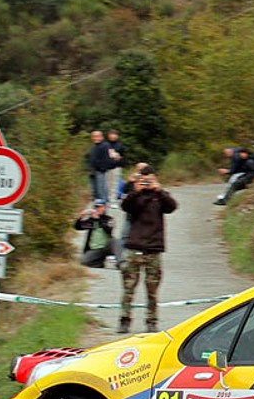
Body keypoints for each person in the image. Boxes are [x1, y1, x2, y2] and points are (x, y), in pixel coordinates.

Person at [117, 168, 179, 333]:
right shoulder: (135, 197)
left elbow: (172, 207)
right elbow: (125, 206)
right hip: (134, 247)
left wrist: (159, 190)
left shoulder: (160, 196)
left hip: (153, 248)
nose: (146, 183)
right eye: (143, 180)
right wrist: (136, 191)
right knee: (129, 287)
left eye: (149, 180)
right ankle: (124, 319)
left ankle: (151, 321)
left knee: (152, 289)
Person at [72, 199, 115, 268]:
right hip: (95, 249)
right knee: (83, 262)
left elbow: (108, 230)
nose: (98, 209)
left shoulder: (109, 219)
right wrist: (80, 217)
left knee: (116, 242)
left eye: (100, 207)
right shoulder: (92, 221)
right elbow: (78, 227)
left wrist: (97, 219)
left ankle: (121, 263)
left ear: (104, 208)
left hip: (107, 247)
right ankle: (98, 263)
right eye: (96, 207)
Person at [85, 130, 121, 203]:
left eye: (97, 136)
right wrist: (89, 169)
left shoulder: (105, 145)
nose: (96, 138)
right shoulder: (94, 147)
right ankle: (96, 202)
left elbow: (108, 158)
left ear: (102, 137)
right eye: (94, 137)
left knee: (101, 189)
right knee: (94, 189)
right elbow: (91, 159)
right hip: (93, 171)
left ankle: (103, 203)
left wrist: (102, 168)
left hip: (100, 170)